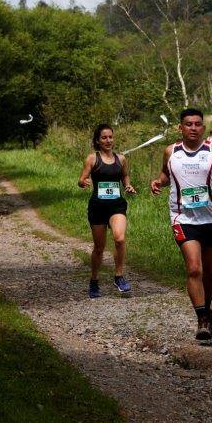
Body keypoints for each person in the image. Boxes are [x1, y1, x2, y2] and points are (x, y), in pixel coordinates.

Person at [151, 108, 212, 342]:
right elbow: (165, 175)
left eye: (198, 124)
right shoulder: (171, 151)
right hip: (184, 219)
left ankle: (207, 309)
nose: (193, 128)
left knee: (210, 272)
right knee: (194, 268)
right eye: (188, 124)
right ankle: (201, 318)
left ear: (203, 127)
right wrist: (158, 183)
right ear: (180, 128)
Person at [78, 123, 136, 298]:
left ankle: (118, 276)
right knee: (99, 247)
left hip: (116, 205)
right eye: (104, 137)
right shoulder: (92, 159)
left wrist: (128, 185)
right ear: (98, 140)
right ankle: (94, 280)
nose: (108, 140)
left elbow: (124, 175)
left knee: (119, 238)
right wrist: (83, 182)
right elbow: (82, 178)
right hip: (98, 207)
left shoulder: (121, 159)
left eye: (110, 137)